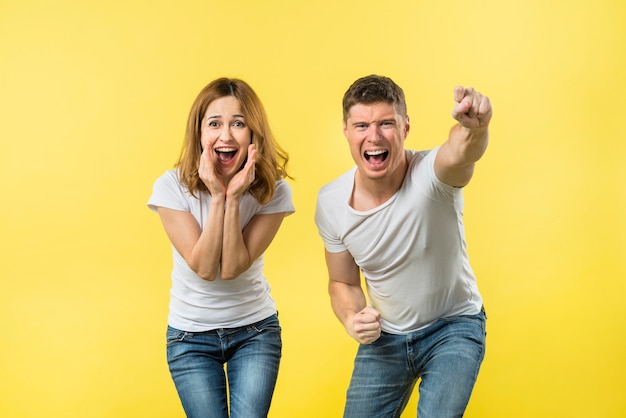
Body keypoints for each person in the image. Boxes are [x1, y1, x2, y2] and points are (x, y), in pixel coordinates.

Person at [315, 75, 492, 418]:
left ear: (405, 127)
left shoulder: (431, 175)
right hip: (387, 337)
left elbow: (460, 151)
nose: (375, 136)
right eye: (362, 125)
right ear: (347, 132)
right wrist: (352, 319)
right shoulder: (331, 202)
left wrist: (476, 129)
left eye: (386, 123)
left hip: (453, 327)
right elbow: (343, 283)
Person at [148, 77, 294, 418]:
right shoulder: (170, 187)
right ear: (199, 133)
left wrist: (235, 195)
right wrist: (218, 196)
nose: (226, 136)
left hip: (255, 332)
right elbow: (203, 267)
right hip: (189, 338)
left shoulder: (274, 191)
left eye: (238, 124)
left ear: (254, 135)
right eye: (214, 123)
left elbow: (231, 268)